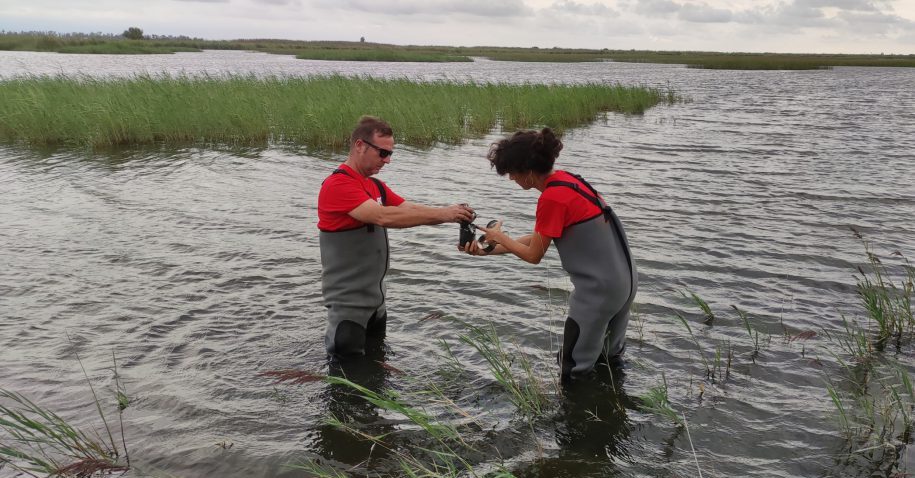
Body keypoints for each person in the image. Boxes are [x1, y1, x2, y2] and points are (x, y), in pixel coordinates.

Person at [462, 127, 637, 381]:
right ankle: (613, 410)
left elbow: (534, 255)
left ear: (528, 172)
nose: (511, 179)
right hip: (625, 284)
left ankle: (574, 418)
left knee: (573, 366)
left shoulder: (552, 198)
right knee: (608, 359)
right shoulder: (570, 181)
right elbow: (542, 238)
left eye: (512, 172)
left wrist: (500, 236)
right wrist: (489, 250)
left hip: (597, 293)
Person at [318, 115, 475, 360]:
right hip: (348, 313)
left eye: (391, 153)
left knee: (377, 378)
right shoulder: (338, 185)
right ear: (360, 145)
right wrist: (444, 214)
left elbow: (407, 209)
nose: (388, 160)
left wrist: (451, 212)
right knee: (347, 390)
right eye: (382, 153)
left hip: (376, 306)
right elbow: (383, 217)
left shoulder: (375, 186)